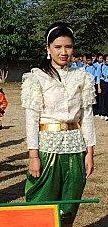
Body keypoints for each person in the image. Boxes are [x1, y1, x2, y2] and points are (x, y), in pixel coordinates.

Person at [21, 22, 96, 227]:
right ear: (48, 48)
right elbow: (31, 119)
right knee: (42, 201)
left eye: (68, 47)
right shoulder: (37, 77)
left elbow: (86, 116)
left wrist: (90, 152)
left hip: (75, 147)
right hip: (47, 148)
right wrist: (33, 156)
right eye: (58, 47)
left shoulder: (82, 77)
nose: (64, 52)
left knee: (69, 205)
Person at [97, 54, 108, 121]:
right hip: (103, 83)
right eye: (107, 59)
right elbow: (98, 77)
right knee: (104, 99)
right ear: (105, 60)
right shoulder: (101, 66)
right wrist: (99, 87)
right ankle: (105, 113)